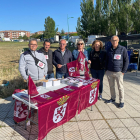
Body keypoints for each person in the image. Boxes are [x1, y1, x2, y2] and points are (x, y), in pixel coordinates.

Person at [105, 35, 129, 108]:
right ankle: (113, 98)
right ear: (111, 41)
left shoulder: (122, 49)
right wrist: (106, 70)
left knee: (120, 87)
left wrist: (123, 71)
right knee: (111, 86)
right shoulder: (109, 49)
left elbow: (126, 60)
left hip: (119, 72)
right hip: (109, 71)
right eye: (113, 40)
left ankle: (121, 101)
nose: (114, 42)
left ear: (118, 41)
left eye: (115, 40)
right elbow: (106, 60)